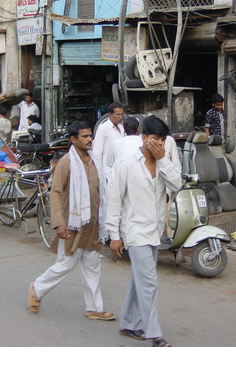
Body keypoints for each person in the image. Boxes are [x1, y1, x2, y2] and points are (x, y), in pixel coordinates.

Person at [28, 121, 116, 322]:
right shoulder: (66, 162)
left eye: (90, 136)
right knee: (66, 264)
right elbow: (56, 193)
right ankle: (37, 288)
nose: (89, 140)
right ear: (73, 140)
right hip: (73, 223)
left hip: (93, 224)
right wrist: (59, 222)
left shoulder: (95, 161)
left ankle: (94, 308)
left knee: (93, 266)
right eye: (84, 136)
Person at [106, 115, 183, 347]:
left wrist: (164, 160)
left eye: (161, 140)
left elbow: (177, 186)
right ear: (142, 137)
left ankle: (128, 324)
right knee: (149, 282)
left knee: (138, 279)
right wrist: (114, 236)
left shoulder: (163, 164)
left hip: (154, 231)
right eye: (153, 138)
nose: (158, 143)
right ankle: (154, 334)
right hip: (135, 231)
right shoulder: (127, 165)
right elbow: (115, 202)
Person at [104, 116, 142, 183]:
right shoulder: (143, 142)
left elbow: (109, 163)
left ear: (124, 129)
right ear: (138, 129)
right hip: (139, 179)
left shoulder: (114, 143)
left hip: (119, 180)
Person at [92, 102, 125, 173]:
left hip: (121, 168)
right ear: (109, 115)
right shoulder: (103, 128)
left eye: (122, 114)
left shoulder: (122, 128)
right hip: (108, 170)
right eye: (117, 115)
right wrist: (98, 171)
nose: (120, 117)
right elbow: (97, 152)